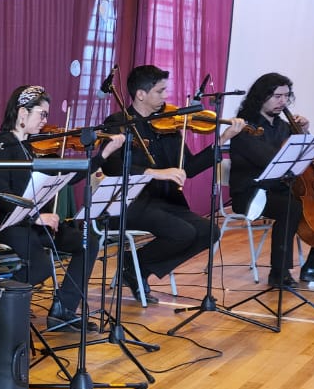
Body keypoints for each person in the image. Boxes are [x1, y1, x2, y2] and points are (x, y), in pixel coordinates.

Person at [101, 65, 247, 304]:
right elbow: (111, 166)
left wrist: (221, 141)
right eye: (160, 91)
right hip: (132, 202)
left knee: (209, 231)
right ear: (141, 94)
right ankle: (135, 268)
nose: (165, 97)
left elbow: (187, 168)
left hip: (166, 201)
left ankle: (137, 266)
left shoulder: (169, 125)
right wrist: (154, 173)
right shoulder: (118, 122)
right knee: (183, 233)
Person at [0, 85, 125, 331]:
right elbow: (1, 194)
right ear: (22, 113)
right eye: (42, 114)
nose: (45, 121)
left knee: (88, 240)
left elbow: (69, 178)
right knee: (39, 267)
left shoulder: (33, 147)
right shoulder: (2, 146)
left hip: (38, 224)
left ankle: (64, 310)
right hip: (11, 224)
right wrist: (36, 215)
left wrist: (103, 155)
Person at [228, 73, 314, 287]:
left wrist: (305, 134)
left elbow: (295, 160)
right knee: (290, 208)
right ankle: (279, 274)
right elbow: (271, 159)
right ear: (261, 97)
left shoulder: (284, 126)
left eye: (286, 96)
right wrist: (309, 153)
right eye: (277, 96)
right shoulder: (245, 128)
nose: (283, 102)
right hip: (251, 194)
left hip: (281, 189)